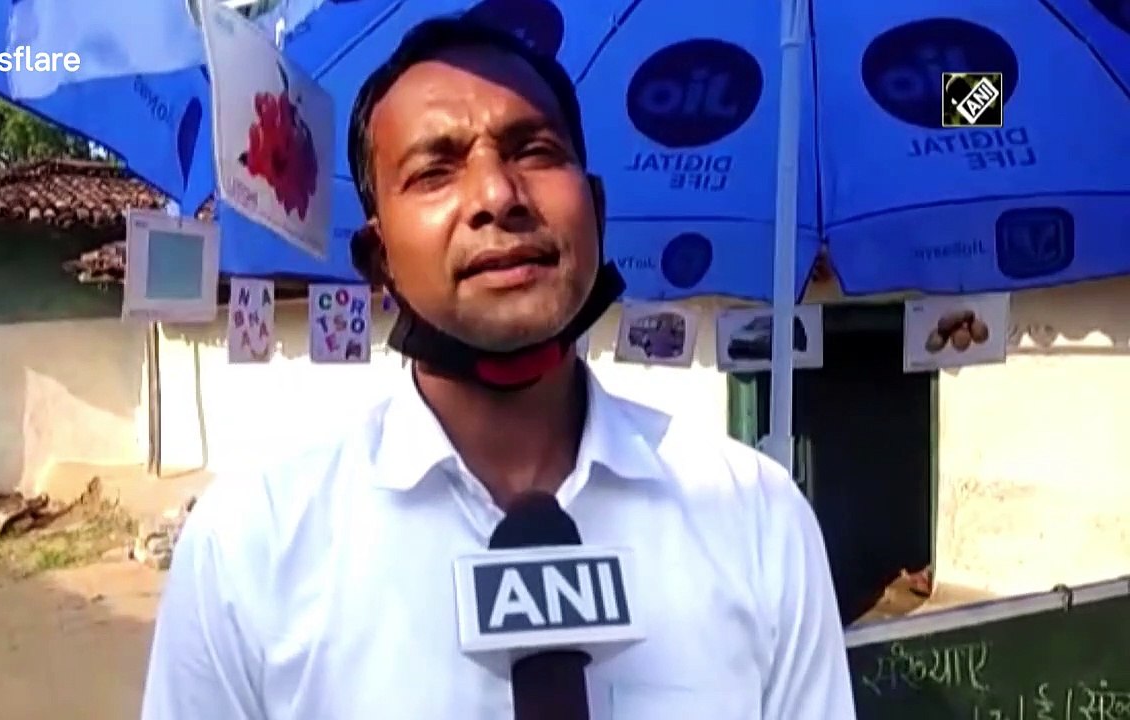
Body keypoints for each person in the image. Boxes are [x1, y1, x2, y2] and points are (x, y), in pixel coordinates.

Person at [141, 16, 855, 720]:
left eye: (535, 150)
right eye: (435, 170)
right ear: (377, 262)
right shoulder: (252, 546)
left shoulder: (755, 515)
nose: (497, 196)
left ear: (596, 213)